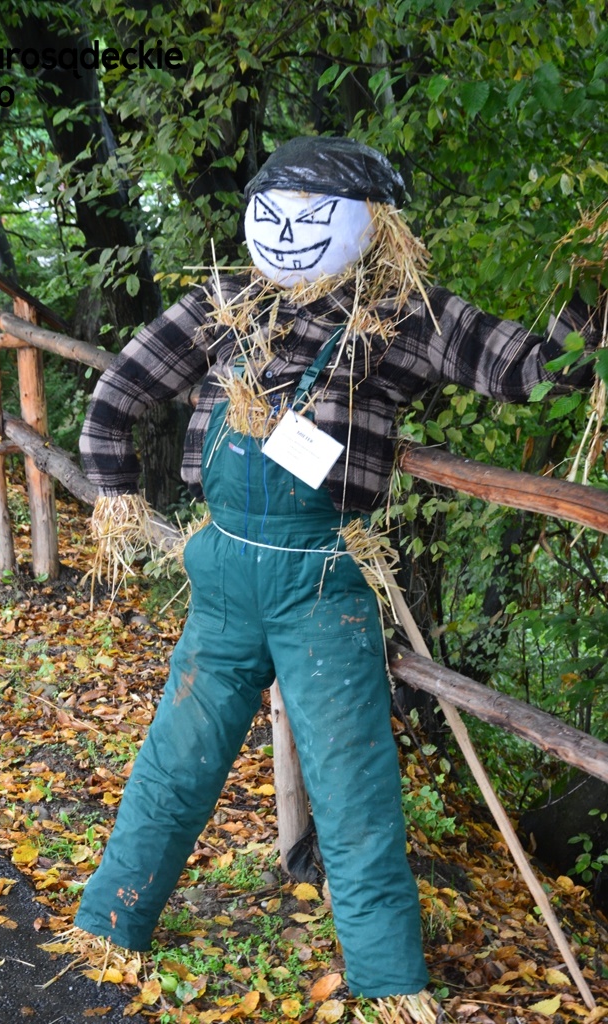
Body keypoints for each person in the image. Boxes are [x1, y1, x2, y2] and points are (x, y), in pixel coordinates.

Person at [75, 136, 596, 1014]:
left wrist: (587, 300)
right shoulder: (224, 303)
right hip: (222, 569)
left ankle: (389, 982)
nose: (286, 235)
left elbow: (534, 374)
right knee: (176, 757)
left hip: (321, 579)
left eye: (312, 217)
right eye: (272, 216)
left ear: (374, 223)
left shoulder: (405, 315)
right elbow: (120, 391)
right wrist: (115, 488)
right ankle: (107, 922)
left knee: (353, 784)